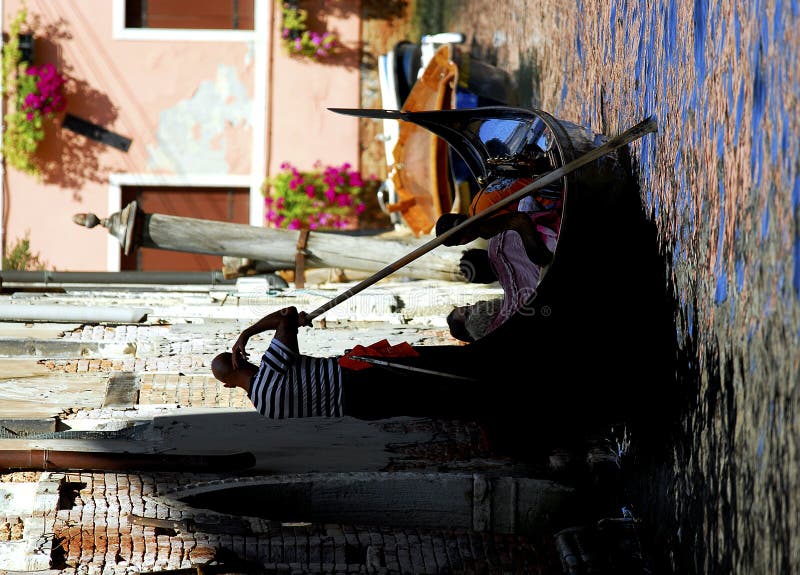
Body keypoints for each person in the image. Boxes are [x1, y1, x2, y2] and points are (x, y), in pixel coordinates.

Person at [211, 306, 482, 420]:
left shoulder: (265, 408)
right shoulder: (271, 366)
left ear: (228, 387)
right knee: (437, 365)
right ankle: (481, 360)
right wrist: (246, 333)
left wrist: (294, 325)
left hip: (360, 407)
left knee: (433, 403)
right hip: (361, 374)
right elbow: (287, 315)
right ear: (240, 359)